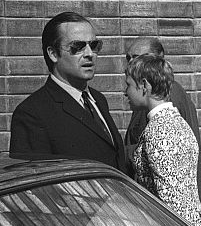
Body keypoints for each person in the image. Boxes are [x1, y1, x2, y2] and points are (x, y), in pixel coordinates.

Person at [10, 11, 128, 173]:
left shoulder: (98, 100)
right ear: (53, 53)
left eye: (94, 46)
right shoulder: (32, 114)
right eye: (77, 47)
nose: (89, 54)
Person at [125, 54, 201, 226]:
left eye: (128, 84)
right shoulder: (176, 122)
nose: (124, 92)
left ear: (144, 85)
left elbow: (172, 202)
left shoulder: (160, 131)